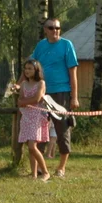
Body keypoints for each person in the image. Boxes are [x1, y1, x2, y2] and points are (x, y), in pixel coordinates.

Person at [30, 18, 79, 178]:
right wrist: (19, 85)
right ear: (45, 30)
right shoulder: (41, 46)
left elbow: (73, 74)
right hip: (42, 93)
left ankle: (61, 168)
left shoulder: (67, 45)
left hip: (62, 92)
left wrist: (74, 97)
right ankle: (40, 167)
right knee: (39, 129)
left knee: (62, 129)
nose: (55, 30)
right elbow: (30, 68)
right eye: (51, 28)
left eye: (58, 28)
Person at [16, 59, 51, 181]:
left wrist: (24, 103)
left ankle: (45, 172)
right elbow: (19, 100)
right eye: (25, 68)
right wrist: (23, 103)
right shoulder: (24, 84)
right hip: (26, 116)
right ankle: (34, 174)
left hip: (36, 116)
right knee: (30, 147)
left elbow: (37, 99)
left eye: (30, 68)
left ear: (36, 70)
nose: (27, 71)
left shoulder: (41, 83)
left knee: (32, 146)